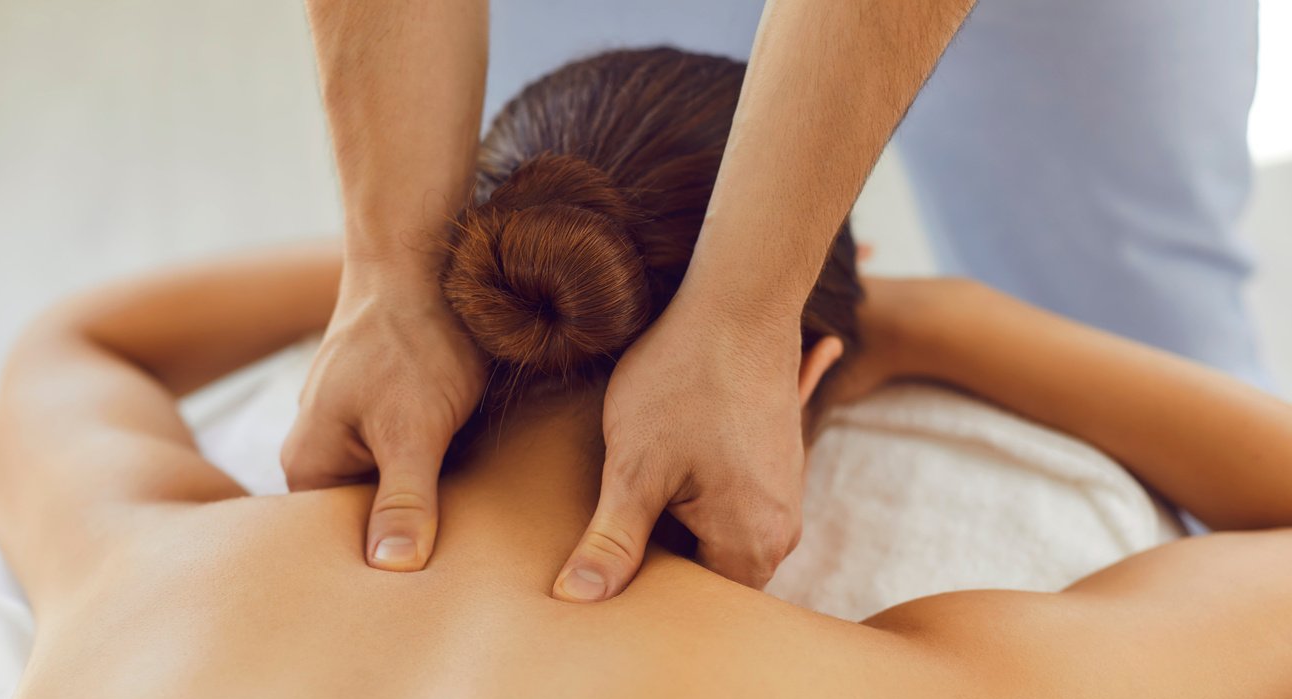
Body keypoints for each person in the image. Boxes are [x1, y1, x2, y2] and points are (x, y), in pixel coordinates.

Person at [0, 48, 1292, 699]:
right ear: (808, 378)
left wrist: (421, 272)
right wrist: (931, 318)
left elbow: (85, 339)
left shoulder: (146, 561)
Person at [290, 0, 1266, 599]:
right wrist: (398, 275)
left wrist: (740, 312)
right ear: (821, 364)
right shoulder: (879, 687)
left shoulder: (195, 558)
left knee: (1143, 311)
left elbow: (125, 334)